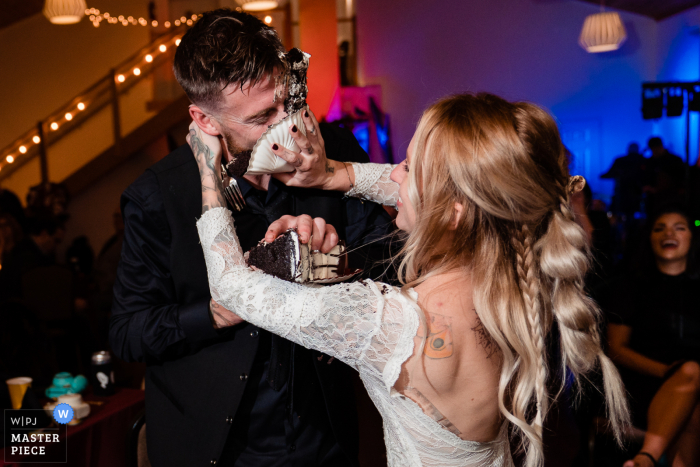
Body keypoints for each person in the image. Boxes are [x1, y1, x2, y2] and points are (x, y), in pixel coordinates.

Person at [191, 92, 629, 466]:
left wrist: (208, 174)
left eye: (407, 165)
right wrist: (331, 175)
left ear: (454, 209)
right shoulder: (517, 268)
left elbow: (231, 285)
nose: (393, 173)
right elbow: (458, 192)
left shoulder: (397, 323)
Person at [109, 8, 394, 467]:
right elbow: (128, 333)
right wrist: (217, 313)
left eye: (289, 102)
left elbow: (391, 263)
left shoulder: (332, 150)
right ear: (205, 121)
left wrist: (336, 261)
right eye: (264, 117)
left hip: (322, 428)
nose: (290, 125)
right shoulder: (156, 196)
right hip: (215, 444)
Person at [606, 206, 700, 467]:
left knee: (693, 386)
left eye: (679, 227)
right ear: (649, 238)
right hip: (644, 382)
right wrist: (667, 371)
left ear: (692, 237)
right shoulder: (630, 286)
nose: (668, 233)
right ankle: (648, 458)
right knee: (691, 380)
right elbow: (616, 347)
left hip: (694, 381)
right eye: (660, 228)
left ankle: (646, 459)